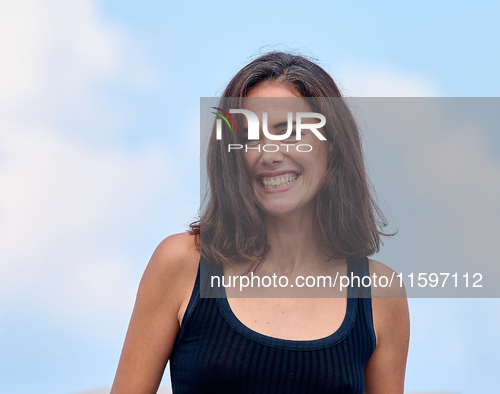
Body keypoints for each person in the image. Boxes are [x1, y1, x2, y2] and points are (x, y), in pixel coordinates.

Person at [111, 51, 410, 393]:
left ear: (333, 148)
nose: (269, 153)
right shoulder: (181, 264)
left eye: (290, 132)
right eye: (250, 138)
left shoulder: (381, 295)